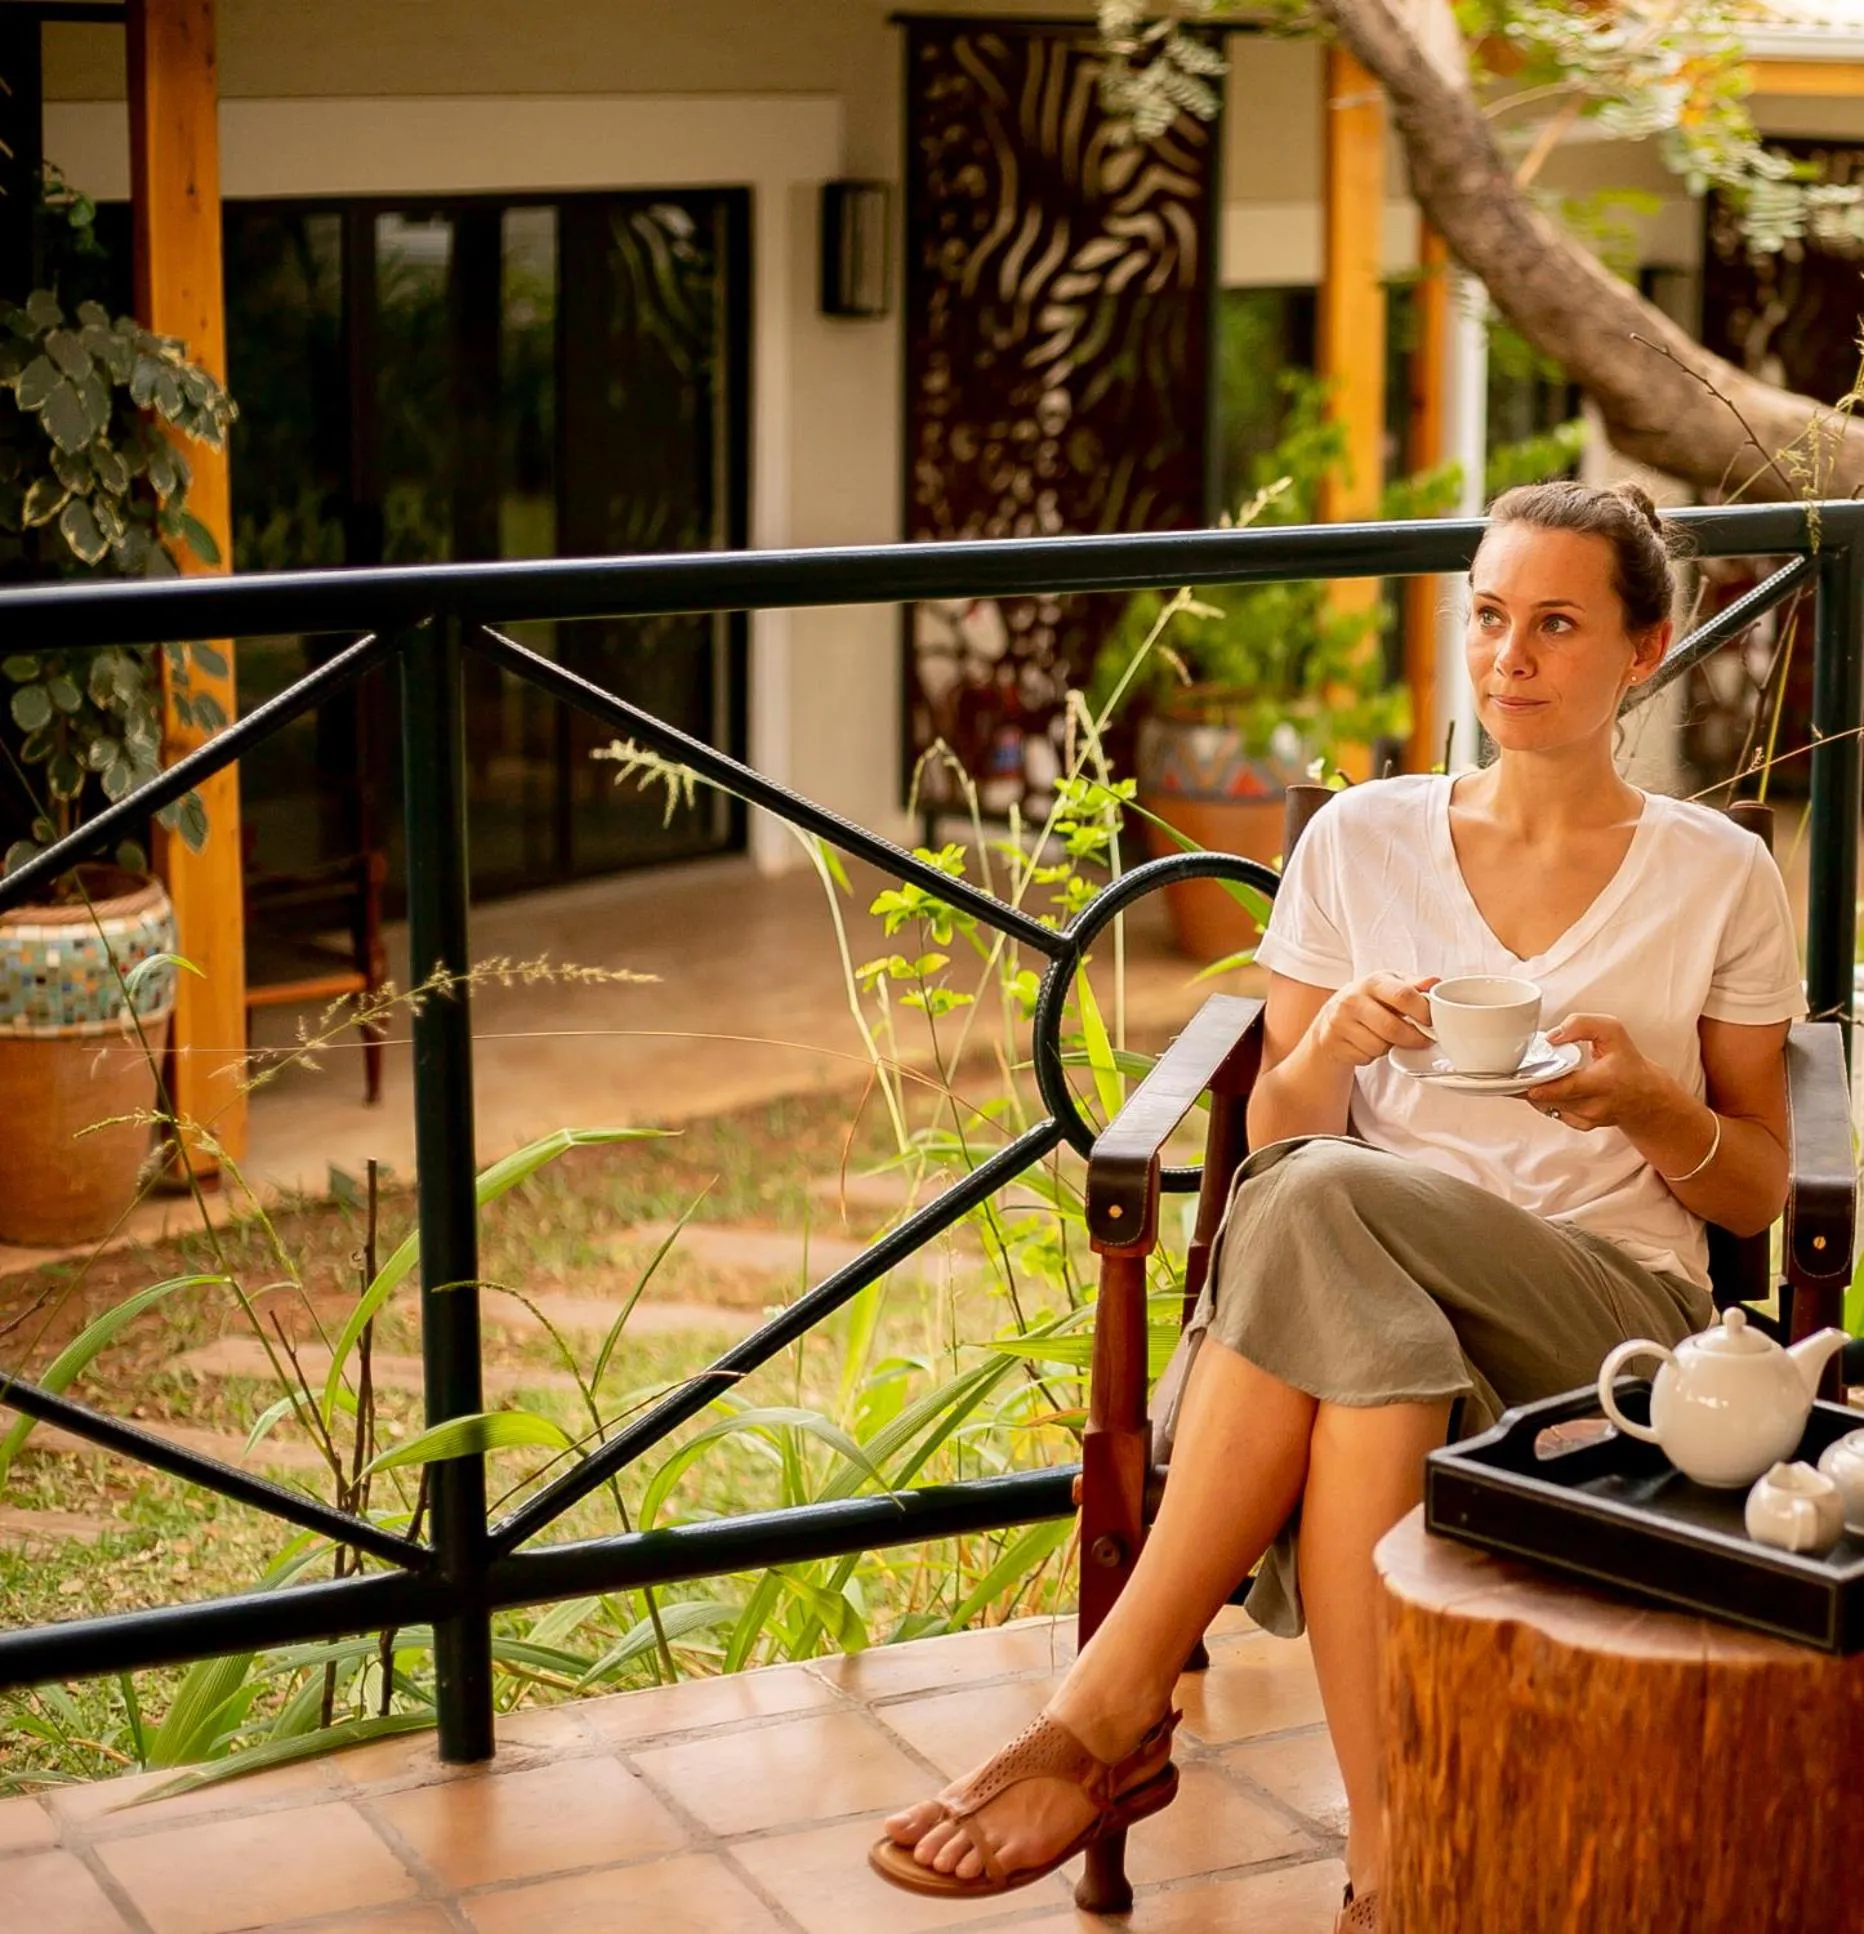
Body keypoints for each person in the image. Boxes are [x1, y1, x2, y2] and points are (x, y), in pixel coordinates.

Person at [867, 481, 1808, 1931]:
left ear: (1643, 651)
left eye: (1558, 625)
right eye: (1489, 617)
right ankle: (1389, 1867)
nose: (1510, 657)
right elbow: (1278, 1130)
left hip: (1609, 1331)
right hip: (1370, 1312)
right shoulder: (1362, 837)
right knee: (1367, 1383)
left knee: (1318, 1204)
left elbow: (1757, 1178)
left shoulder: (1718, 872)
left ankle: (1108, 1708)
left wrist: (1647, 1105)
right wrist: (1325, 1053)